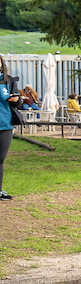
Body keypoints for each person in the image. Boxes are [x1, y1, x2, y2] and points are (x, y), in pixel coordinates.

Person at [0, 56, 18, 201]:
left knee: (0, 159)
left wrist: (17, 100)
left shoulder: (9, 81)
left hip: (5, 124)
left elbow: (17, 104)